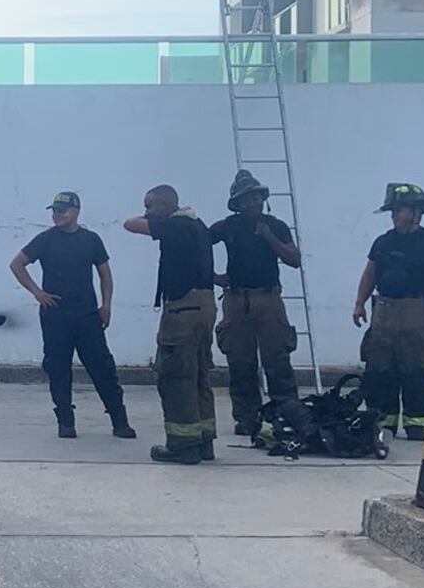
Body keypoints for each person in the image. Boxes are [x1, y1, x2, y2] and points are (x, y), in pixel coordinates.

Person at [10, 192, 136, 439]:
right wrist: (37, 292)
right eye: (54, 210)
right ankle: (66, 422)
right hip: (56, 316)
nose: (57, 215)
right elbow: (17, 264)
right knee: (58, 368)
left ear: (76, 211)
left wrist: (106, 305)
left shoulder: (91, 240)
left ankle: (119, 421)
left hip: (87, 316)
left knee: (102, 367)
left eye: (62, 210)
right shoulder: (45, 240)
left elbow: (105, 275)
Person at [351, 183, 424, 442]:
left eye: (401, 210)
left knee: (418, 370)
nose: (396, 215)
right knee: (380, 370)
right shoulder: (383, 242)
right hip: (385, 314)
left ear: (417, 213)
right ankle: (383, 421)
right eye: (394, 210)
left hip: (419, 314)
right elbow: (370, 274)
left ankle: (417, 422)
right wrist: (359, 303)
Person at [126, 185, 218, 465]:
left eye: (150, 205)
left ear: (166, 205)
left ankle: (182, 445)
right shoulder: (198, 226)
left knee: (176, 377)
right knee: (199, 375)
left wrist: (154, 220)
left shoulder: (177, 225)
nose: (146, 211)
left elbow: (130, 225)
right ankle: (204, 442)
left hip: (182, 311)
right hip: (204, 306)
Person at [210, 169, 302, 438]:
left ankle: (285, 416)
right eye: (246, 200)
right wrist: (214, 277)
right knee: (240, 363)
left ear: (263, 198)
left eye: (256, 197)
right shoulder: (226, 226)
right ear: (237, 204)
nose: (252, 203)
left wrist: (269, 237)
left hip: (269, 299)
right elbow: (198, 245)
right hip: (237, 300)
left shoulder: (276, 225)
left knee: (277, 361)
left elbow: (294, 260)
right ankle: (246, 418)